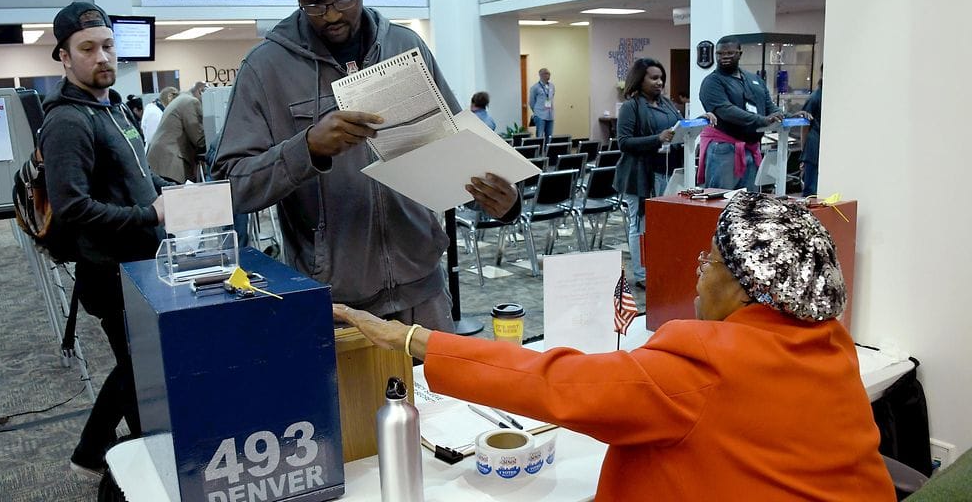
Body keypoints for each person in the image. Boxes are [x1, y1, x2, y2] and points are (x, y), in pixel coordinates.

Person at [335, 192, 894, 501]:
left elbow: (553, 383)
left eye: (712, 261)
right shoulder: (831, 345)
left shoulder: (707, 365)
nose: (698, 276)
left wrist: (410, 338)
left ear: (754, 287)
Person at [212, 0, 518, 333]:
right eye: (313, 3)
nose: (332, 14)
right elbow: (229, 186)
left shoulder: (407, 47)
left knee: (438, 399)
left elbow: (457, 146)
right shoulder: (265, 69)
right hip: (337, 307)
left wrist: (501, 199)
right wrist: (308, 149)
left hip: (424, 294)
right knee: (351, 401)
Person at [39, 2, 169, 479]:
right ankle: (90, 451)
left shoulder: (111, 106)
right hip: (110, 269)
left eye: (108, 46)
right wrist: (147, 213)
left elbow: (136, 174)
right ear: (64, 57)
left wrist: (167, 192)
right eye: (87, 48)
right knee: (138, 364)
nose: (102, 57)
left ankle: (140, 446)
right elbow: (72, 208)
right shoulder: (68, 121)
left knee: (141, 364)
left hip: (141, 260)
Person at [614, 58, 688, 289]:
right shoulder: (631, 106)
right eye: (653, 78)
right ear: (640, 79)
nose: (659, 82)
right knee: (641, 225)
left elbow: (679, 128)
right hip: (639, 174)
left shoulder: (666, 104)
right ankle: (643, 273)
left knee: (662, 225)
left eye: (661, 78)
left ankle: (661, 267)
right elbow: (624, 142)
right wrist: (656, 138)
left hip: (666, 171)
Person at [698, 35, 783, 190]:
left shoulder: (754, 79)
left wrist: (788, 116)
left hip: (751, 146)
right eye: (720, 54)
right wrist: (762, 120)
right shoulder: (712, 82)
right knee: (720, 200)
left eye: (729, 53)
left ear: (740, 54)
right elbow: (727, 111)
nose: (724, 57)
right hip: (724, 148)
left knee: (748, 203)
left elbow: (769, 106)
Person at [147, 81, 208, 183]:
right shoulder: (191, 102)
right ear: (201, 91)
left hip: (161, 161)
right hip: (171, 163)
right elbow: (199, 139)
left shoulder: (181, 99)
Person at [800, 65, 823, 196]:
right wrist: (804, 153)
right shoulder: (815, 98)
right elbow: (805, 127)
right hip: (813, 148)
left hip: (822, 147)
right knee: (811, 191)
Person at [528, 67, 555, 141]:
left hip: (550, 115)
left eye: (549, 73)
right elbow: (531, 102)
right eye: (546, 73)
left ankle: (547, 151)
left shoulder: (552, 86)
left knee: (549, 136)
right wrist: (537, 112)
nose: (548, 75)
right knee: (539, 135)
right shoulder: (535, 87)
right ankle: (539, 152)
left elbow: (551, 97)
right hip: (540, 115)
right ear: (541, 75)